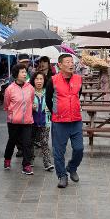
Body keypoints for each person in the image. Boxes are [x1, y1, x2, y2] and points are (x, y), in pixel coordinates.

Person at [46, 54, 83, 188]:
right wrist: (57, 112)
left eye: (72, 62)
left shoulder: (79, 79)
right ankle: (62, 176)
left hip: (76, 120)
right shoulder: (53, 80)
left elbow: (78, 96)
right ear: (60, 65)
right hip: (60, 122)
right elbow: (48, 99)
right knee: (58, 152)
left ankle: (72, 167)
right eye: (67, 62)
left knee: (79, 149)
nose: (71, 64)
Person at [3, 64, 35, 175]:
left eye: (25, 72)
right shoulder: (9, 89)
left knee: (27, 143)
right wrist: (13, 113)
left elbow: (31, 101)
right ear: (16, 75)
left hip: (27, 121)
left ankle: (26, 165)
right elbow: (6, 105)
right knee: (12, 141)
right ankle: (7, 159)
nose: (25, 74)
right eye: (22, 72)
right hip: (13, 122)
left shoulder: (30, 88)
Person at [30, 71, 54, 171]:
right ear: (33, 80)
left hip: (45, 121)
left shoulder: (48, 92)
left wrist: (51, 108)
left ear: (44, 81)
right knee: (30, 141)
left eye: (41, 79)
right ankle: (30, 159)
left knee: (44, 142)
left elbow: (53, 103)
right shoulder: (30, 91)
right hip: (31, 122)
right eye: (37, 79)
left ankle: (47, 162)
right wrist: (30, 106)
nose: (39, 81)